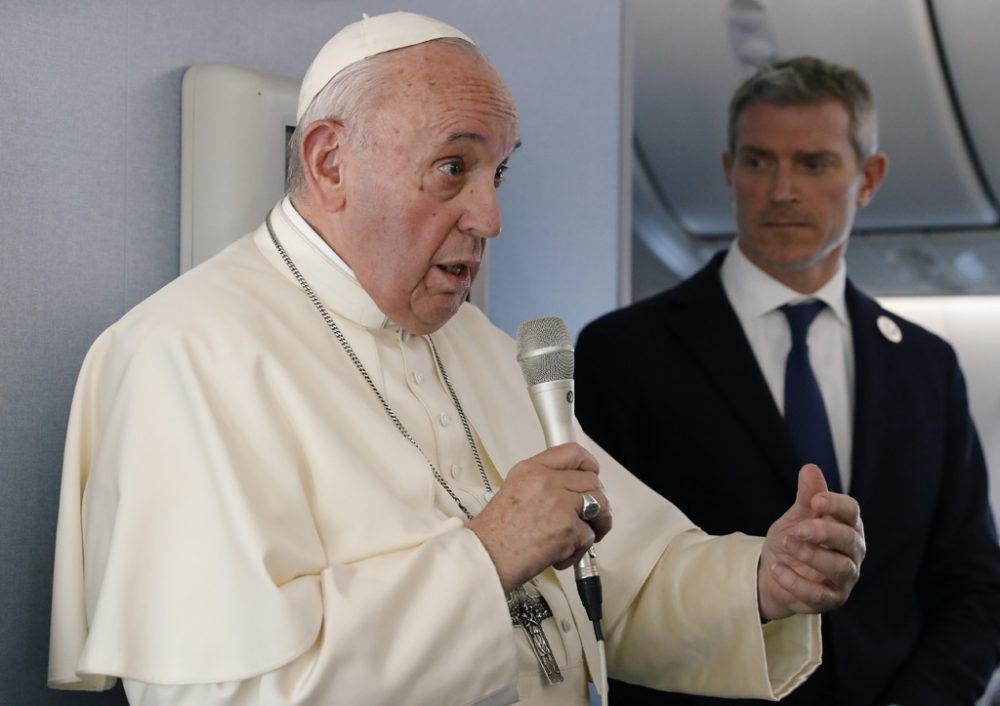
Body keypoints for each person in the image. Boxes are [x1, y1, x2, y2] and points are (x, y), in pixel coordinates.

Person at [48, 16, 865, 705]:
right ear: (331, 162)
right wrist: (487, 554)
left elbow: (627, 578)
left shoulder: (482, 346)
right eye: (453, 168)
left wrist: (761, 581)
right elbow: (228, 692)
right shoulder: (186, 356)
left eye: (498, 171)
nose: (491, 215)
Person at [575, 56, 1000, 706]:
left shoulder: (925, 366)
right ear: (728, 171)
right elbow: (609, 579)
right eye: (757, 161)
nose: (781, 190)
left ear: (868, 178)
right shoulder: (625, 352)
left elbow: (973, 586)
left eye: (814, 163)